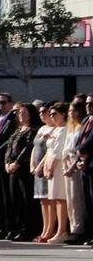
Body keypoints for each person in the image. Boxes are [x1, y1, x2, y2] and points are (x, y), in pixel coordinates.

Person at [3, 103, 41, 242]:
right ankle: (17, 228)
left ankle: (28, 229)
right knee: (15, 199)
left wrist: (17, 163)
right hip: (12, 168)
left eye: (25, 113)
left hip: (23, 168)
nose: (21, 115)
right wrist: (7, 162)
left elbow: (27, 148)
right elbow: (9, 147)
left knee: (26, 199)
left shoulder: (33, 130)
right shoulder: (17, 130)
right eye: (20, 113)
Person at [38, 102, 69, 244]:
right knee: (54, 198)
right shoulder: (55, 130)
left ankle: (62, 230)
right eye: (50, 114)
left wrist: (50, 168)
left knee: (61, 199)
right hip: (50, 167)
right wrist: (44, 166)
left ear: (63, 114)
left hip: (58, 168)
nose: (52, 117)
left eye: (54, 114)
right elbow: (49, 151)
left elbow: (58, 152)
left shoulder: (63, 130)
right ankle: (56, 230)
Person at [0, 93, 17, 239]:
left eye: (3, 103)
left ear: (10, 104)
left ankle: (10, 227)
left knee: (7, 196)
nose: (0, 106)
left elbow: (9, 140)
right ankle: (0, 226)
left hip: (4, 160)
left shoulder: (12, 119)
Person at [65, 101, 88, 245]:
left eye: (74, 110)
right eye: (70, 111)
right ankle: (73, 227)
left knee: (77, 198)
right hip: (67, 163)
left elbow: (78, 150)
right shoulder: (71, 128)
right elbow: (66, 149)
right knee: (70, 201)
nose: (72, 113)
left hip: (75, 165)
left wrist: (72, 166)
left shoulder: (81, 128)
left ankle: (79, 229)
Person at [32, 104, 55, 242]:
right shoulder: (41, 128)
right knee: (42, 200)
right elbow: (35, 148)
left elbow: (49, 151)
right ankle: (44, 229)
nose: (42, 114)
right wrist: (32, 165)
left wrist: (40, 166)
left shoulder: (54, 130)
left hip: (46, 167)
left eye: (44, 112)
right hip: (37, 169)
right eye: (40, 112)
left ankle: (50, 230)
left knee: (49, 199)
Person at [76, 95, 93, 248]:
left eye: (91, 104)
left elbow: (89, 141)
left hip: (91, 163)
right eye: (87, 104)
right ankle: (89, 234)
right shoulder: (85, 120)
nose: (89, 106)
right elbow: (80, 139)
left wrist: (81, 150)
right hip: (84, 165)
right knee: (87, 202)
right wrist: (79, 157)